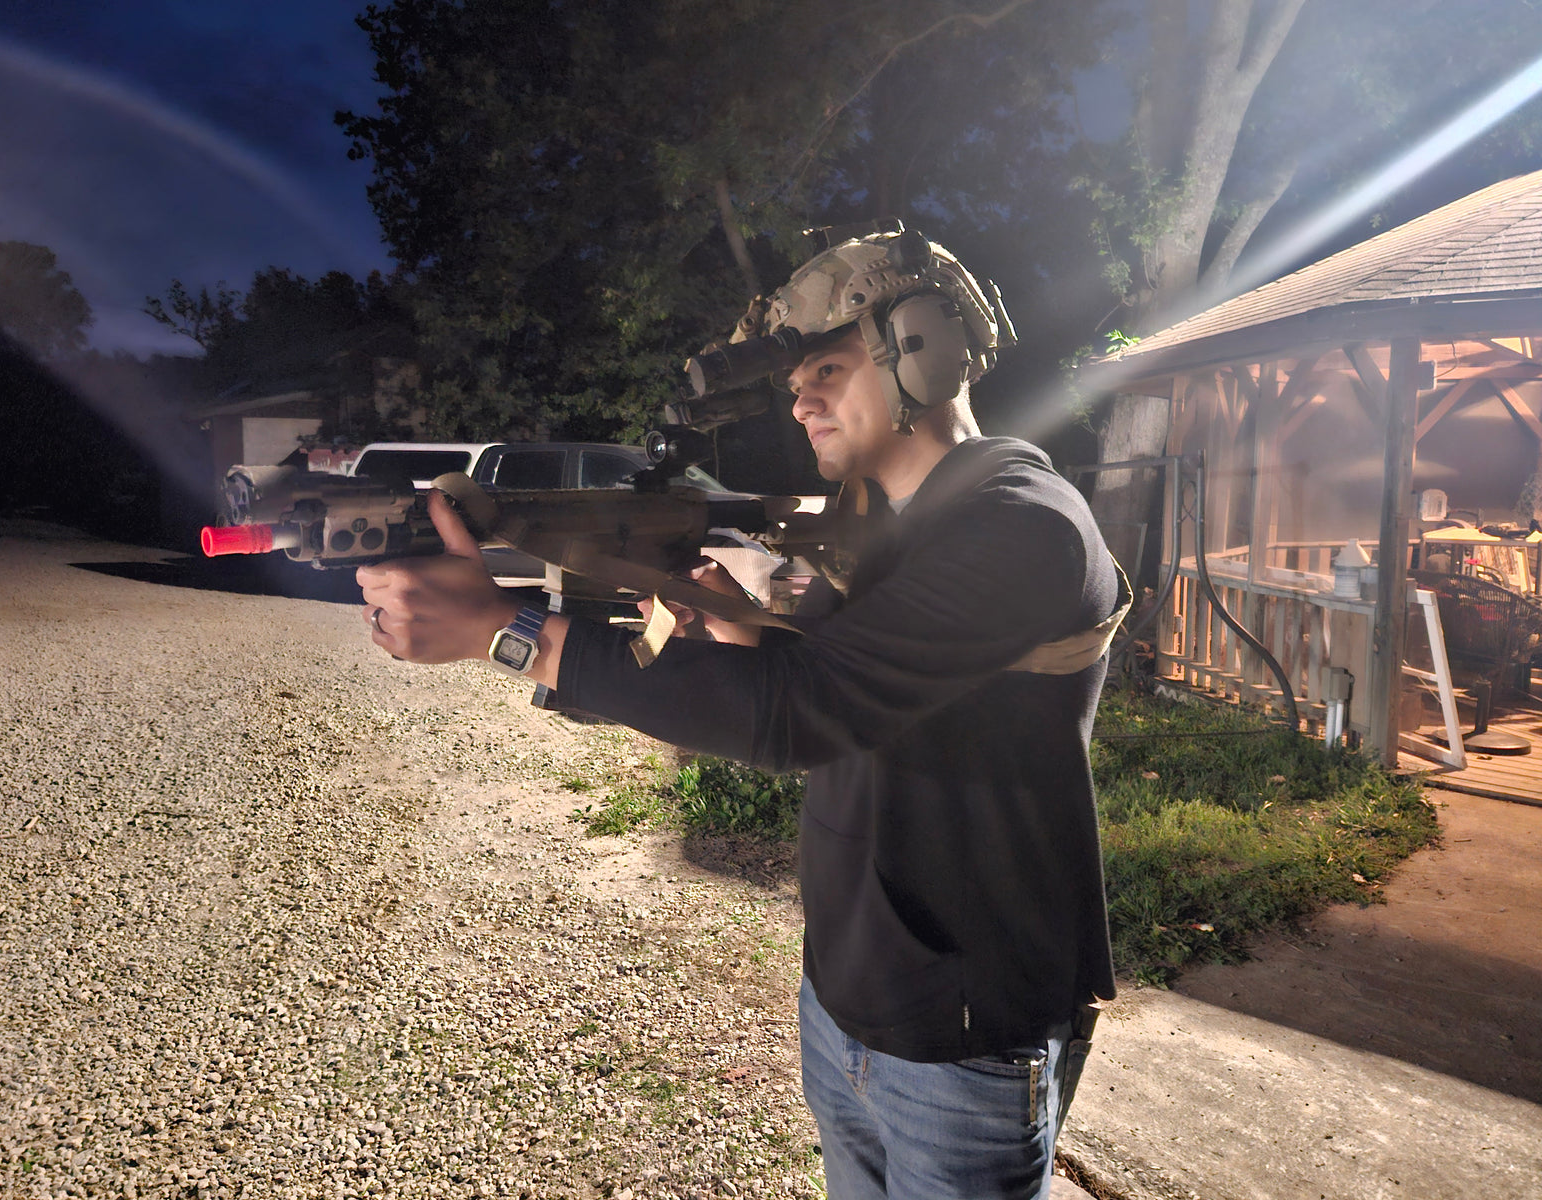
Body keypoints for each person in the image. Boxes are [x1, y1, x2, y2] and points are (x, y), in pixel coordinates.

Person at [356, 227, 1124, 1200]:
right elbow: (801, 696)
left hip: (964, 1031)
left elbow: (800, 713)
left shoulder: (1022, 526)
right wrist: (719, 629)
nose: (800, 400)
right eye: (794, 378)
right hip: (846, 998)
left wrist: (513, 634)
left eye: (829, 368)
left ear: (923, 348)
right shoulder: (870, 526)